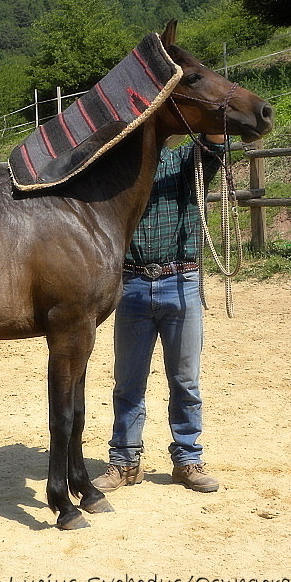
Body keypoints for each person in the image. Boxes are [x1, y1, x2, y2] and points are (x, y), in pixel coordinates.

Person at [92, 133, 226, 494]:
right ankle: (124, 460)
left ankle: (187, 459)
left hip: (180, 278)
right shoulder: (121, 170)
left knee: (185, 380)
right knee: (128, 381)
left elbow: (214, 145)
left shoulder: (185, 160)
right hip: (132, 281)